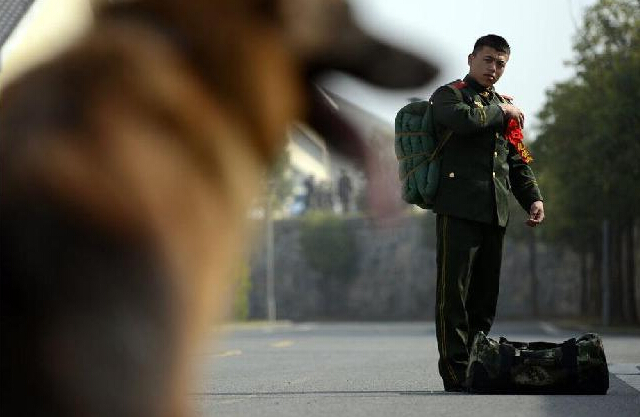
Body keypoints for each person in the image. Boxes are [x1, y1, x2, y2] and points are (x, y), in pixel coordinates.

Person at [429, 34, 544, 392]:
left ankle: (479, 362)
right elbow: (464, 122)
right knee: (454, 294)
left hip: (495, 210)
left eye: (500, 63)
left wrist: (533, 197)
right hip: (458, 208)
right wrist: (501, 110)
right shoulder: (448, 95)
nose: (493, 69)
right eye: (488, 60)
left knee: (485, 295)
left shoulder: (502, 107)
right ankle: (455, 369)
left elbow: (517, 157)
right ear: (471, 58)